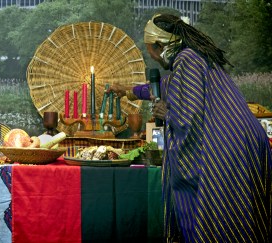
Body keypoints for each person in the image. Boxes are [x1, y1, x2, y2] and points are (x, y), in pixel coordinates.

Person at [108, 13, 271, 243]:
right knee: (244, 218)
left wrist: (167, 113)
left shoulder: (187, 59)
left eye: (151, 51)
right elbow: (166, 86)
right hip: (242, 142)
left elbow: (189, 118)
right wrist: (127, 90)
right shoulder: (197, 57)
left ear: (161, 45)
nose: (152, 57)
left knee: (224, 223)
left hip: (228, 146)